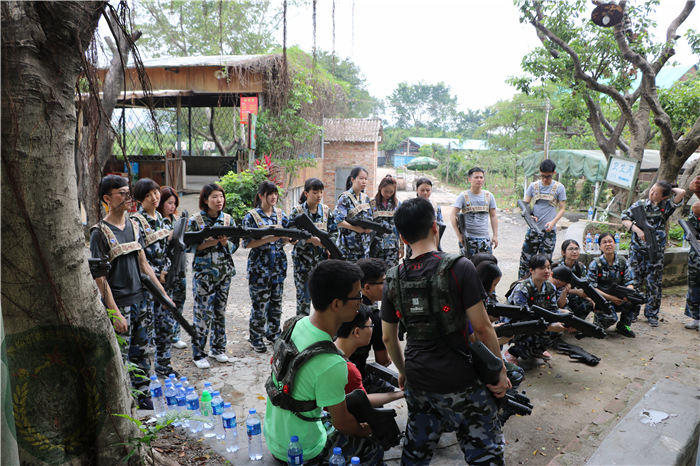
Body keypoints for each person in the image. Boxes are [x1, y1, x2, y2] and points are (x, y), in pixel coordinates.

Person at [381, 197, 510, 466]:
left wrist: (404, 371)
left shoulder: (393, 277)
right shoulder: (459, 266)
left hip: (418, 379)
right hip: (460, 379)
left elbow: (387, 338)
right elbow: (484, 329)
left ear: (402, 238)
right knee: (486, 452)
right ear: (435, 228)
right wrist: (500, 370)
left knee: (416, 452)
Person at [263, 260, 385, 466]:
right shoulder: (331, 362)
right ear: (336, 304)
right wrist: (363, 429)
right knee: (373, 448)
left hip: (275, 436)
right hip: (303, 450)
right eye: (357, 296)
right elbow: (343, 422)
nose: (361, 301)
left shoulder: (296, 324)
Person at [90, 175, 171, 409]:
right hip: (120, 303)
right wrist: (115, 312)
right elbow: (99, 277)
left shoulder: (134, 225)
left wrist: (162, 293)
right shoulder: (100, 232)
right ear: (107, 198)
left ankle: (144, 399)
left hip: (141, 300)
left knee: (144, 355)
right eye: (121, 193)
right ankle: (124, 406)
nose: (127, 197)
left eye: (128, 192)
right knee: (121, 359)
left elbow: (144, 263)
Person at [187, 183, 237, 368]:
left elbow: (235, 246)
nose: (219, 200)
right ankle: (198, 354)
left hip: (224, 274)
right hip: (204, 275)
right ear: (205, 200)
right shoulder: (196, 221)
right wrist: (208, 243)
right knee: (202, 314)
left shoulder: (228, 220)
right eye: (215, 197)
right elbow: (188, 246)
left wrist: (224, 243)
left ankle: (218, 349)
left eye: (221, 196)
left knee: (220, 312)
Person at [621, 181, 685, 327]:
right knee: (634, 282)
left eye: (656, 193)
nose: (651, 194)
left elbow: (681, 193)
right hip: (637, 250)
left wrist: (668, 188)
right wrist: (637, 230)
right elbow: (624, 218)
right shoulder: (640, 205)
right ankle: (632, 313)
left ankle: (652, 314)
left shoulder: (666, 206)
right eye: (651, 190)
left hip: (655, 252)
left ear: (663, 197)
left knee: (653, 283)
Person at [131, 178, 176, 377]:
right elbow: (139, 259)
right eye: (148, 195)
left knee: (165, 326)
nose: (154, 197)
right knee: (146, 330)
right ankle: (142, 375)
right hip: (147, 285)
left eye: (156, 192)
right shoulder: (136, 222)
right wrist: (157, 276)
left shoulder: (163, 220)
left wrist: (165, 270)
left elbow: (169, 253)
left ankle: (164, 366)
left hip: (164, 281)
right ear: (141, 199)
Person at [242, 181, 291, 353]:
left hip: (278, 266)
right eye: (270, 194)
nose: (274, 197)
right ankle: (256, 338)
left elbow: (283, 239)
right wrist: (268, 239)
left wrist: (289, 239)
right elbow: (246, 243)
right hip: (259, 268)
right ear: (261, 195)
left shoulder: (280, 214)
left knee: (276, 304)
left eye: (276, 193)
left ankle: (274, 334)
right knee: (260, 305)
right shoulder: (251, 216)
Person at [335, 305, 405, 407]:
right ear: (357, 332)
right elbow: (365, 401)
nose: (372, 330)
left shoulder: (328, 347)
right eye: (371, 326)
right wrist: (403, 393)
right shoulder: (349, 370)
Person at [289, 178, 339, 316]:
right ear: (306, 193)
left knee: (323, 300)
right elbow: (291, 236)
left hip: (322, 264)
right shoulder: (297, 212)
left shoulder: (326, 211)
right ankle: (302, 333)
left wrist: (330, 246)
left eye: (321, 192)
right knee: (303, 300)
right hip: (302, 264)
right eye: (315, 192)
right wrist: (309, 240)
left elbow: (335, 231)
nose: (319, 195)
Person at [506, 254, 568, 363]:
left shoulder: (549, 288)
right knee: (545, 331)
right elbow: (522, 318)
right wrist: (549, 327)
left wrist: (566, 322)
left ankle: (536, 350)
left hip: (537, 322)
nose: (546, 271)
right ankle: (513, 352)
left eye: (548, 267)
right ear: (532, 270)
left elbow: (553, 310)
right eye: (542, 268)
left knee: (558, 331)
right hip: (517, 325)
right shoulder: (522, 289)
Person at [349, 258, 394, 394]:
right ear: (367, 287)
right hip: (358, 380)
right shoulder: (374, 318)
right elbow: (382, 362)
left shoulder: (343, 305)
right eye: (384, 282)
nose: (387, 286)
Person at [518, 159, 567, 279]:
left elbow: (562, 208)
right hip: (533, 230)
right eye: (543, 176)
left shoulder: (559, 188)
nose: (545, 179)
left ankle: (542, 287)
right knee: (525, 261)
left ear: (554, 173)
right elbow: (525, 205)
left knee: (545, 263)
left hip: (549, 232)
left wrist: (553, 222)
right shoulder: (533, 186)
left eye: (548, 176)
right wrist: (530, 215)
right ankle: (521, 285)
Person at [587, 232, 638, 337]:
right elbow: (592, 288)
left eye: (610, 241)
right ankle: (598, 322)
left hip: (618, 296)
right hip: (602, 298)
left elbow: (629, 281)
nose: (608, 244)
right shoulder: (595, 264)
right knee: (611, 318)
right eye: (604, 242)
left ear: (615, 243)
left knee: (635, 298)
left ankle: (623, 325)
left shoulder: (623, 262)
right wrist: (612, 298)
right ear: (600, 246)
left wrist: (628, 293)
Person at [156, 186, 187, 350]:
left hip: (180, 269)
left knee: (179, 302)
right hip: (164, 270)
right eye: (169, 203)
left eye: (174, 203)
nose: (172, 206)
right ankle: (163, 336)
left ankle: (175, 335)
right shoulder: (157, 221)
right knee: (164, 305)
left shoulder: (177, 221)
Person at [451, 167, 499, 259]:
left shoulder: (489, 196)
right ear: (470, 179)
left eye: (481, 177)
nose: (479, 180)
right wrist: (459, 235)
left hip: (485, 240)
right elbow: (453, 215)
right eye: (476, 177)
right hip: (468, 240)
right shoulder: (463, 196)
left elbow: (493, 216)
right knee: (467, 268)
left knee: (486, 267)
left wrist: (495, 236)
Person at [334, 167, 373, 262]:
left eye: (366, 179)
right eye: (361, 178)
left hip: (364, 248)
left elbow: (370, 218)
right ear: (352, 179)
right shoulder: (345, 198)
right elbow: (338, 220)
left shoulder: (366, 198)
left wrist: (369, 228)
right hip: (348, 248)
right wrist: (356, 229)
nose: (364, 181)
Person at [552, 240, 595, 322]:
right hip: (559, 298)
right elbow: (555, 289)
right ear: (563, 252)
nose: (574, 252)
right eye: (571, 249)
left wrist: (591, 299)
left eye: (576, 249)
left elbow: (584, 286)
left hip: (574, 299)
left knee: (589, 305)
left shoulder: (580, 267)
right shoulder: (556, 267)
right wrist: (575, 291)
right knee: (567, 314)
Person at [370, 175, 403, 268]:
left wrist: (401, 246)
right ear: (380, 187)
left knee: (391, 274)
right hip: (375, 246)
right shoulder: (372, 203)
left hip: (392, 246)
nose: (388, 194)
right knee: (376, 274)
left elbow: (401, 226)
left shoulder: (398, 204)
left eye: (391, 192)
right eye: (386, 191)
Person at [684, 201, 700, 330]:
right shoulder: (696, 209)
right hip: (695, 257)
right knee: (693, 287)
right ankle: (696, 317)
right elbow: (689, 227)